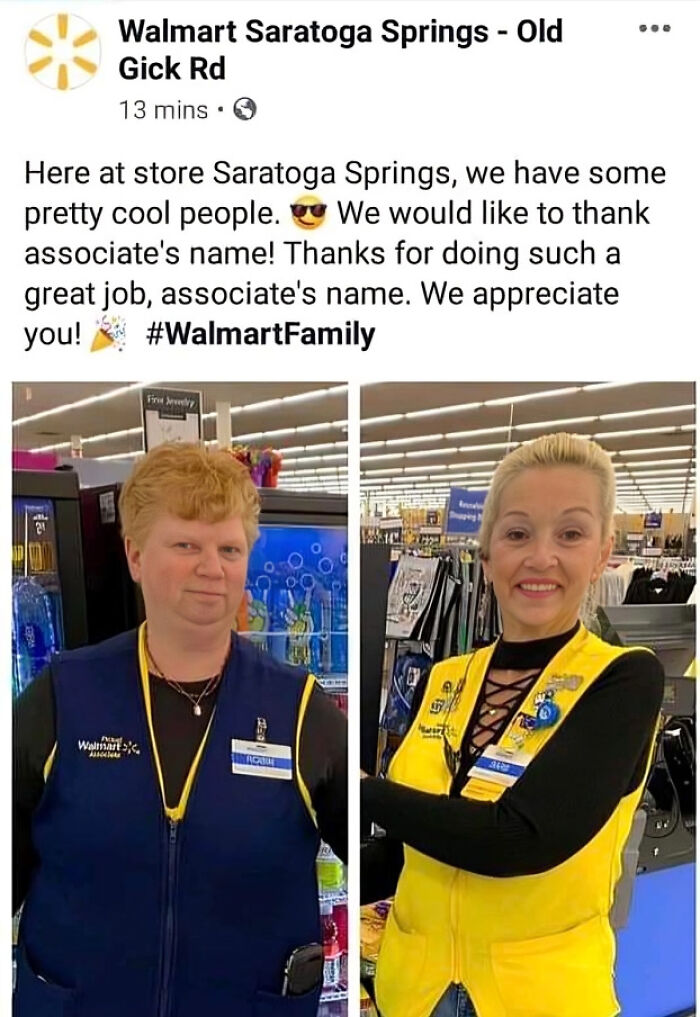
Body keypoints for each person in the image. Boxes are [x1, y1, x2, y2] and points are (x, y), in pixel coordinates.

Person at [14, 443, 347, 1017]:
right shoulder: (64, 697)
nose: (211, 568)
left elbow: (379, 858)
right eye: (186, 544)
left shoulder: (299, 711)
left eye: (229, 548)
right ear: (135, 555)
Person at [361, 432, 664, 1017]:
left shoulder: (624, 680)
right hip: (413, 992)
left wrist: (363, 792)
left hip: (541, 999)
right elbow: (416, 849)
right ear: (487, 553)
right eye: (518, 533)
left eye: (570, 534)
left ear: (603, 553)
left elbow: (519, 838)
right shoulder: (445, 679)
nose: (540, 557)